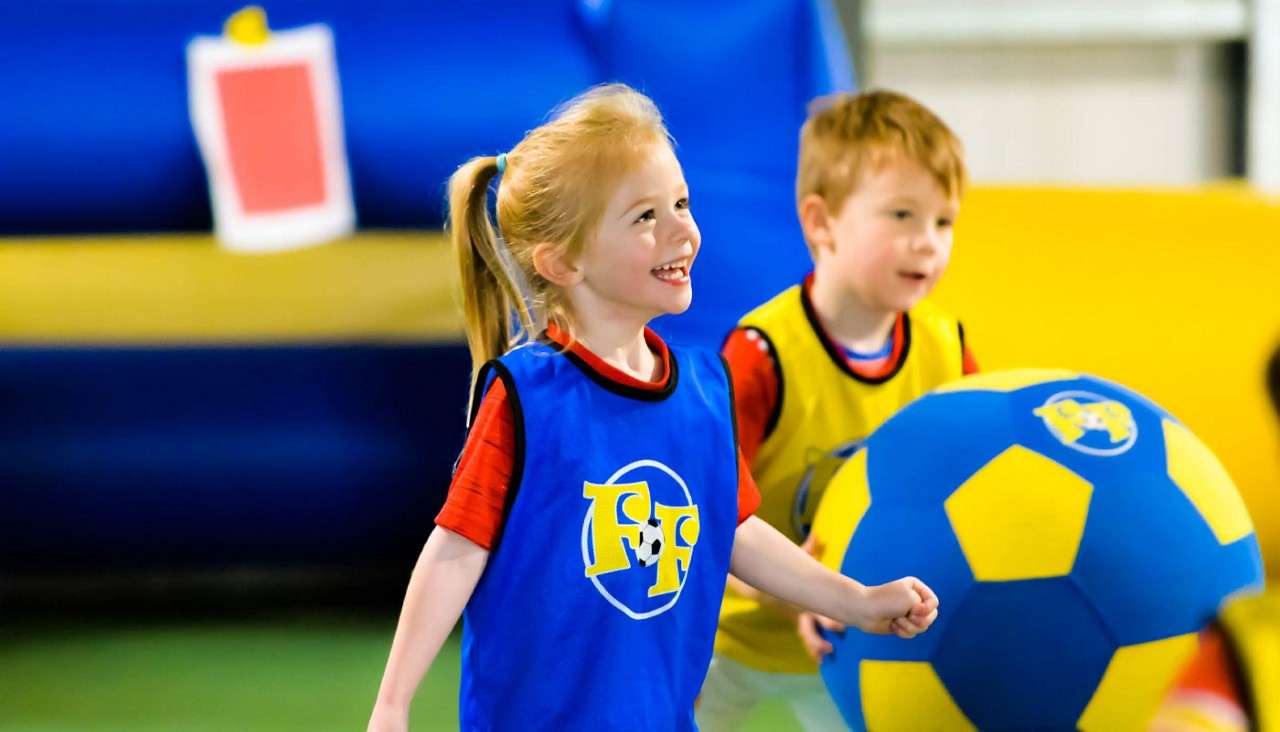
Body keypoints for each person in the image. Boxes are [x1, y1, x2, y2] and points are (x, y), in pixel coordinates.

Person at [365, 84, 940, 732]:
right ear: (563, 261)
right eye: (645, 217)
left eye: (681, 203)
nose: (682, 231)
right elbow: (456, 547)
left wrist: (856, 601)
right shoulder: (525, 398)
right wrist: (393, 703)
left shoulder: (702, 390)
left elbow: (732, 529)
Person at [700, 89, 976, 730]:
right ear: (821, 222)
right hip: (727, 635)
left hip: (861, 645)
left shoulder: (947, 347)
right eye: (902, 215)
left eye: (943, 221)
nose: (926, 244)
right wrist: (803, 594)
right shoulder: (762, 354)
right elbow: (705, 515)